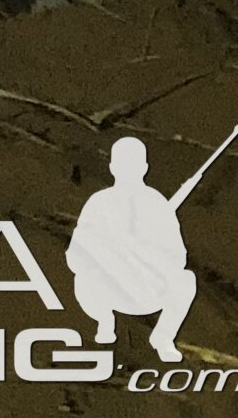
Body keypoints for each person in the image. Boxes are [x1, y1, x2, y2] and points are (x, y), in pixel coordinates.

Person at [68, 136, 200, 363]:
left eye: (133, 165)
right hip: (108, 290)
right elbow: (75, 255)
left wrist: (142, 249)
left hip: (148, 289)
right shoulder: (99, 202)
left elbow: (178, 258)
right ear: (112, 168)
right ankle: (104, 321)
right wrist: (106, 253)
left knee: (186, 281)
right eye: (122, 165)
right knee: (83, 280)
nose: (128, 171)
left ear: (144, 168)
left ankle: (163, 338)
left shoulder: (157, 204)